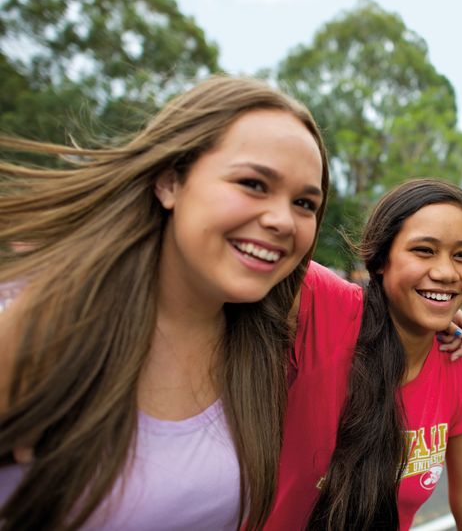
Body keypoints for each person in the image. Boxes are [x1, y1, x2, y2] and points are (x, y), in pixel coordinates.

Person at [0, 76, 331, 530]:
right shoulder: (36, 325)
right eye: (253, 183)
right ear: (170, 182)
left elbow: (379, 302)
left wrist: (437, 313)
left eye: (305, 203)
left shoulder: (264, 331)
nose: (281, 221)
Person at [267, 179, 462, 530]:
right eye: (424, 250)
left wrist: (431, 305)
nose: (446, 272)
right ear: (380, 260)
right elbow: (263, 247)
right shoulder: (326, 309)